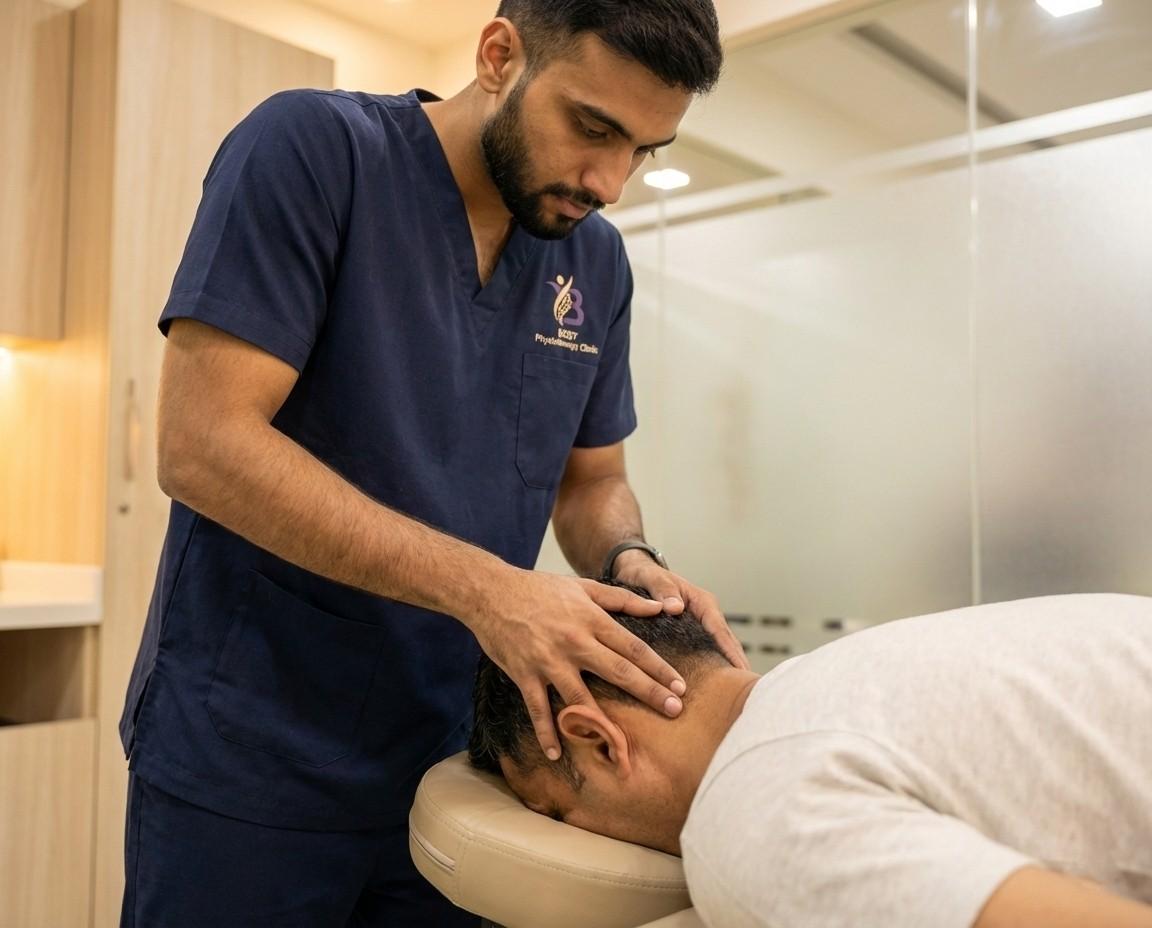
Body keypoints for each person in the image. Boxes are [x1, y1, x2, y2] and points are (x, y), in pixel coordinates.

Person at [116, 2, 749, 926]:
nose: (611, 182)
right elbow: (202, 445)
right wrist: (490, 591)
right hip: (252, 750)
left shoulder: (594, 263)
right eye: (592, 127)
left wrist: (629, 559)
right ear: (499, 56)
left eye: (644, 149)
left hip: (454, 766)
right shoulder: (316, 152)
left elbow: (593, 482)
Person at [470, 590, 1152, 928]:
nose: (570, 832)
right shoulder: (843, 675)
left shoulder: (753, 815)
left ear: (597, 740)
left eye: (557, 812)